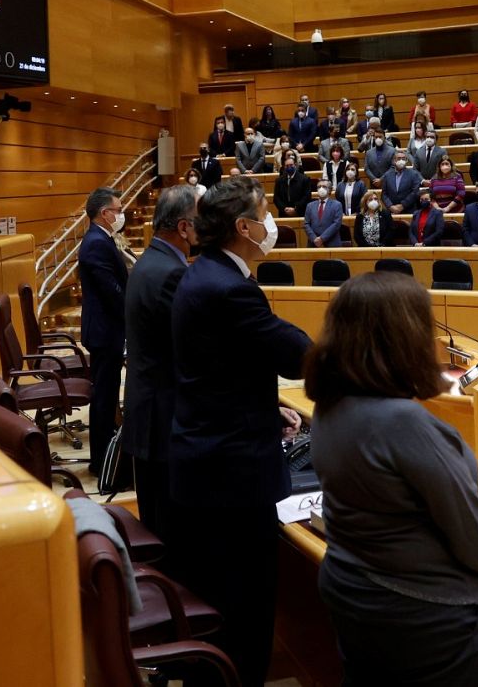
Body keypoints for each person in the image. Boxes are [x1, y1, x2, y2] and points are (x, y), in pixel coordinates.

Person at [308, 273, 478, 687]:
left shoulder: (328, 407)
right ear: (403, 336)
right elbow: (468, 525)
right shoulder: (403, 422)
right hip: (424, 615)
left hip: (354, 592)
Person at [169, 177, 311, 686]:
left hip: (210, 455)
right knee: (243, 609)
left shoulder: (205, 272)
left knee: (225, 602)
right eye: (265, 212)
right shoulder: (228, 287)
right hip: (229, 475)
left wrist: (264, 404)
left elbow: (217, 367)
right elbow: (296, 354)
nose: (272, 221)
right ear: (243, 227)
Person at [120, 186, 197, 542]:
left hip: (149, 410)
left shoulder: (149, 262)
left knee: (156, 522)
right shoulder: (171, 274)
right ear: (184, 228)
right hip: (162, 418)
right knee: (167, 534)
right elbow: (190, 349)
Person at [78, 188, 128, 478]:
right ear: (104, 213)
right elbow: (112, 291)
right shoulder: (96, 242)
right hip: (104, 332)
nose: (121, 215)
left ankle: (105, 458)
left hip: (107, 329)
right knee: (104, 399)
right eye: (118, 210)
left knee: (107, 397)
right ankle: (100, 463)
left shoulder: (102, 238)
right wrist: (131, 310)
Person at [305, 180, 345, 248]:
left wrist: (322, 238)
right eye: (319, 187)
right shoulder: (310, 205)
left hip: (332, 243)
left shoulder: (337, 205)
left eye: (324, 186)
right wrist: (314, 238)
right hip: (313, 243)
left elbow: (336, 224)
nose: (321, 189)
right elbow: (306, 224)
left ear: (330, 190)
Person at [275, 149, 313, 217]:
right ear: (284, 167)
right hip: (284, 214)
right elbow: (276, 198)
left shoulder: (304, 179)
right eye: (287, 166)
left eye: (291, 165)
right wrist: (284, 208)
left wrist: (296, 208)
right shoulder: (279, 180)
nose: (289, 167)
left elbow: (307, 197)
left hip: (300, 213)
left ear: (295, 165)